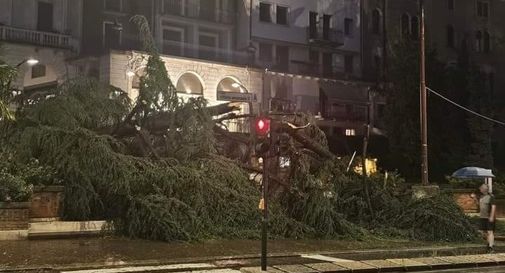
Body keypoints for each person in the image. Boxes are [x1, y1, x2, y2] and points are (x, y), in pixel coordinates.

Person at [472, 184, 497, 252]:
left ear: (484, 189)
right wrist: (474, 199)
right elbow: (478, 205)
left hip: (489, 217)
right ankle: (489, 243)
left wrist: (491, 216)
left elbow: (493, 207)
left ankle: (491, 247)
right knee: (484, 232)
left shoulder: (491, 197)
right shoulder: (481, 196)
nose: (480, 189)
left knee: (490, 231)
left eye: (481, 188)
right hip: (482, 217)